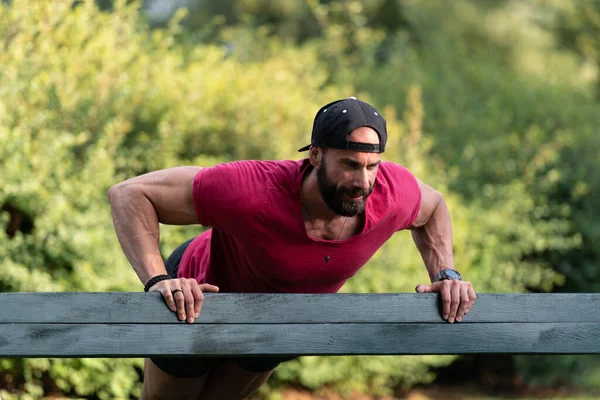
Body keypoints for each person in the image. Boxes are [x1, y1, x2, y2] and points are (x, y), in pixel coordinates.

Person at [108, 97, 476, 400]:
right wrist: (158, 280)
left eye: (372, 167)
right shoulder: (251, 189)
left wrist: (445, 274)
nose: (362, 182)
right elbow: (130, 194)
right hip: (194, 300)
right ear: (315, 156)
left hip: (273, 323)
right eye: (349, 164)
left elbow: (434, 207)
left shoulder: (393, 192)